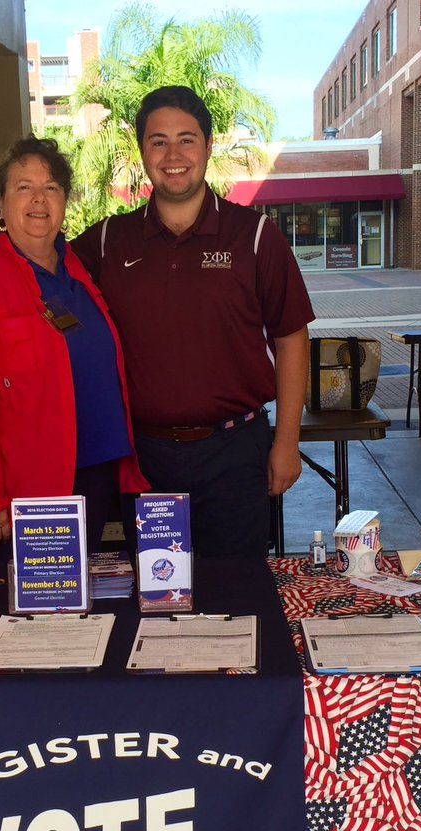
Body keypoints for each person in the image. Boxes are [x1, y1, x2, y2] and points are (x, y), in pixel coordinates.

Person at [72, 85, 313, 558]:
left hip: (234, 452)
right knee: (158, 590)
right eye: (158, 141)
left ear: (208, 145)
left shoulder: (255, 236)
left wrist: (287, 442)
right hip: (144, 459)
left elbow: (291, 339)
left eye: (186, 139)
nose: (173, 155)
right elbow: (41, 276)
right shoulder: (107, 242)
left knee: (236, 588)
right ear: (142, 151)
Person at [0, 134, 148, 562]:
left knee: (82, 595)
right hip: (30, 489)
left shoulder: (76, 268)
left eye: (51, 187)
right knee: (32, 602)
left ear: (64, 201)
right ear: (0, 203)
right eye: (24, 187)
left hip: (97, 470)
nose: (39, 198)